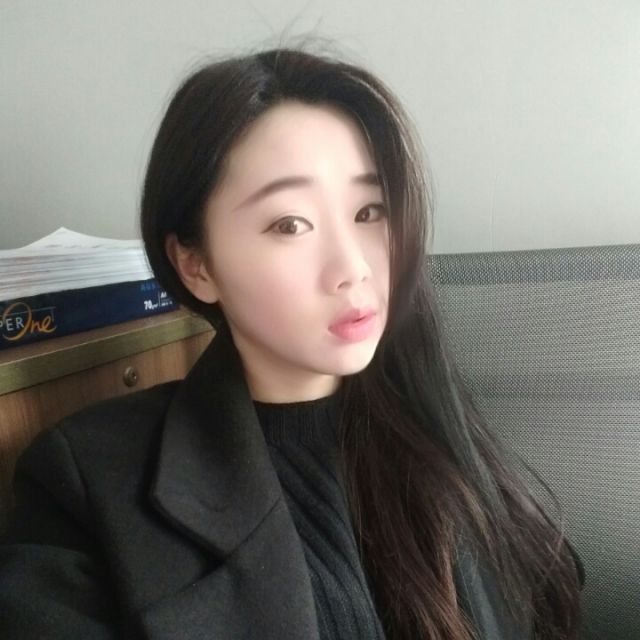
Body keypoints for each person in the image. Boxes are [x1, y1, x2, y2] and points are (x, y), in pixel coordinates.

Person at [0, 47, 584, 639]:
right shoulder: (87, 481)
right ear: (196, 265)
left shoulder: (441, 428)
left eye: (370, 211)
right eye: (290, 224)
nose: (352, 268)